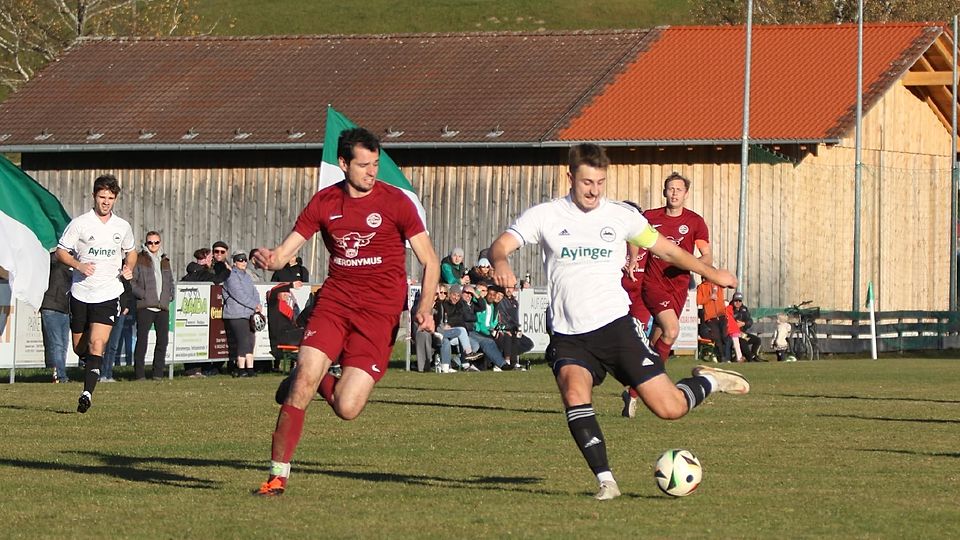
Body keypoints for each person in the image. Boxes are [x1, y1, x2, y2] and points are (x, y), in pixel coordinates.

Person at [487, 143, 748, 500]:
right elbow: (499, 246)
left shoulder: (620, 216)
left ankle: (708, 382)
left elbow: (667, 250)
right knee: (574, 393)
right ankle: (606, 481)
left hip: (616, 328)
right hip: (569, 336)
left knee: (670, 409)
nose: (594, 190)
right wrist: (500, 262)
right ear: (570, 178)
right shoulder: (545, 215)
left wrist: (711, 273)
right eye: (587, 183)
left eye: (600, 182)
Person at [251, 127, 440, 496]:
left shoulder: (397, 202)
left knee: (348, 407)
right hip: (335, 303)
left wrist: (426, 306)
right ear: (343, 163)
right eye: (364, 165)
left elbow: (430, 261)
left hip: (379, 315)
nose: (372, 172)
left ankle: (304, 381)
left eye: (375, 165)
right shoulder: (324, 202)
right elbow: (284, 254)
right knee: (306, 375)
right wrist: (269, 259)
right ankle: (277, 476)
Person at [55, 173, 136, 413]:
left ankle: (87, 393)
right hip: (81, 292)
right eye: (102, 197)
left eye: (110, 198)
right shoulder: (80, 223)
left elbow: (130, 251)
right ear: (94, 196)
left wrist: (128, 266)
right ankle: (88, 360)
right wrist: (79, 265)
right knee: (80, 347)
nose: (106, 202)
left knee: (97, 343)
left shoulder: (122, 226)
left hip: (109, 292)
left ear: (115, 199)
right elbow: (61, 252)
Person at [641, 172, 712, 363]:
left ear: (686, 194)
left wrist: (696, 266)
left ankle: (638, 383)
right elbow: (633, 241)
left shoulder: (695, 221)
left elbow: (706, 255)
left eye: (678, 190)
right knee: (672, 330)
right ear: (664, 192)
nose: (674, 193)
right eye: (671, 189)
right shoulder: (650, 217)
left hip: (679, 285)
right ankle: (654, 380)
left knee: (661, 334)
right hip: (654, 282)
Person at [131, 231, 175, 379]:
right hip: (145, 306)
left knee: (162, 341)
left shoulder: (165, 260)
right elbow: (132, 282)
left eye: (156, 242)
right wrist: (142, 295)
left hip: (162, 306)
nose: (153, 245)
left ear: (160, 243)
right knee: (142, 341)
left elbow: (170, 280)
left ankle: (158, 374)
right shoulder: (139, 259)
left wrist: (170, 295)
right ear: (146, 243)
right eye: (150, 242)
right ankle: (139, 374)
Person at [222, 252, 262, 377]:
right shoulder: (231, 276)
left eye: (245, 260)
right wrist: (253, 305)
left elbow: (254, 292)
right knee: (243, 341)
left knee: (250, 341)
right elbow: (238, 295)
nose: (243, 262)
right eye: (240, 260)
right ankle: (241, 369)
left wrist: (257, 304)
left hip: (249, 313)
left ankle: (250, 369)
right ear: (234, 262)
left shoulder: (247, 276)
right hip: (236, 313)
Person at [40, 253, 73, 383]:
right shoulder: (55, 261)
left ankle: (60, 373)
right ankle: (60, 375)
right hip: (51, 307)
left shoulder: (73, 266)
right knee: (57, 344)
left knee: (63, 344)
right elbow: (52, 259)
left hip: (65, 309)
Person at [101, 277, 134, 382]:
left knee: (113, 346)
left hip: (120, 313)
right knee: (102, 344)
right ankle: (101, 374)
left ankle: (108, 374)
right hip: (106, 312)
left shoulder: (123, 278)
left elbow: (129, 291)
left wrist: (127, 307)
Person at [695, 279, 730, 362]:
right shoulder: (701, 287)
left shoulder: (718, 284)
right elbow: (699, 301)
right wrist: (709, 297)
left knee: (725, 336)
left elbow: (726, 283)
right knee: (717, 337)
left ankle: (727, 356)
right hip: (710, 317)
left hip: (722, 315)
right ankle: (722, 357)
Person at [729, 292, 762, 361]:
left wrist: (744, 323)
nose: (738, 302)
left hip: (742, 333)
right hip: (733, 334)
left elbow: (750, 321)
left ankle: (754, 355)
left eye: (740, 301)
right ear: (733, 300)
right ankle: (750, 357)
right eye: (736, 300)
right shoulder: (729, 309)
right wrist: (736, 325)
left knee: (757, 340)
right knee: (743, 341)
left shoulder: (744, 309)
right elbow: (727, 322)